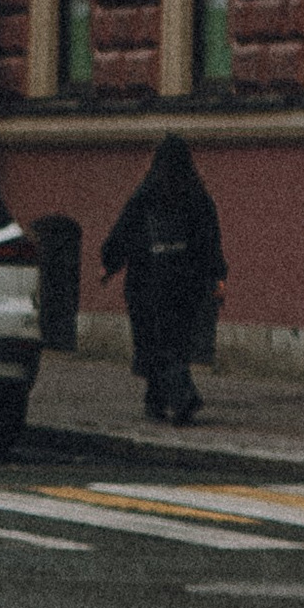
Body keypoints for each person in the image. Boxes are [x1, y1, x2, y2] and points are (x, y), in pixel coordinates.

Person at [102, 134, 226, 424]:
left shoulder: (146, 194)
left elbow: (124, 234)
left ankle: (183, 397)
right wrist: (218, 277)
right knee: (177, 341)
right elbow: (210, 240)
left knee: (152, 342)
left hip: (147, 282)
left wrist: (110, 264)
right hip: (188, 282)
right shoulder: (198, 196)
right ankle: (155, 400)